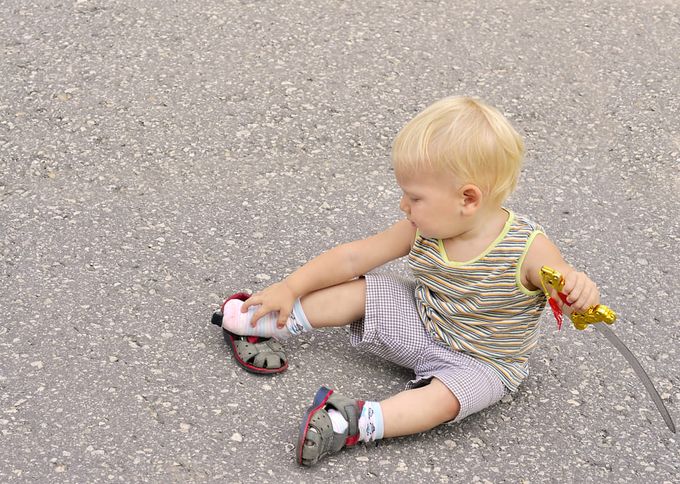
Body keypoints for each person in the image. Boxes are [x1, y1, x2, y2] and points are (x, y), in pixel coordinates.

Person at [218, 96, 601, 466]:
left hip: (483, 362)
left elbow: (563, 287)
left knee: (447, 401)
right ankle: (261, 322)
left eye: (414, 197)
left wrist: (576, 292)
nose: (404, 206)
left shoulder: (528, 249)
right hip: (422, 324)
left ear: (467, 198)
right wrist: (290, 287)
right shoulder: (423, 229)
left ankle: (353, 422)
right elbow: (353, 257)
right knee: (370, 289)